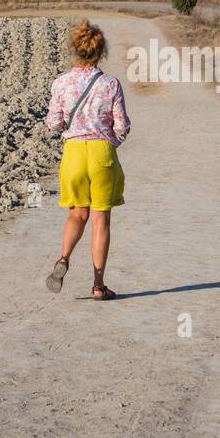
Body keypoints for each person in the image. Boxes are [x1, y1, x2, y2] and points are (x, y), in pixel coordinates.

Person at [44, 20, 130, 301]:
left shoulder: (61, 83)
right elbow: (122, 126)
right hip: (101, 153)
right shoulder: (110, 84)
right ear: (100, 52)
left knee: (77, 214)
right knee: (100, 220)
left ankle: (64, 257)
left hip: (73, 154)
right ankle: (98, 285)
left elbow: (53, 123)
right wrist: (111, 140)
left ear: (75, 50)